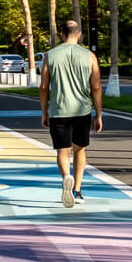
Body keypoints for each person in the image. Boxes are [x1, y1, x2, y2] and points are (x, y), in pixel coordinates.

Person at [38, 18, 102, 207]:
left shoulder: (50, 55)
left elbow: (43, 86)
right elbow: (96, 87)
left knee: (62, 150)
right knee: (79, 149)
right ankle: (78, 191)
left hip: (58, 110)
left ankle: (66, 176)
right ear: (79, 34)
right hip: (82, 110)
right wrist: (98, 114)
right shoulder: (89, 56)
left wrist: (44, 112)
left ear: (62, 35)